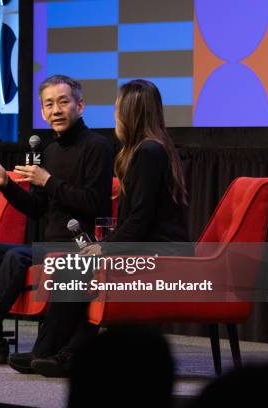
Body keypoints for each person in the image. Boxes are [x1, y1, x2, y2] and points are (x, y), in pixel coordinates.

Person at [0, 75, 114, 366]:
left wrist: (48, 181)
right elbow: (37, 208)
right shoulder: (48, 151)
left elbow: (94, 203)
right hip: (50, 244)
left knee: (15, 256)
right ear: (43, 112)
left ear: (80, 105)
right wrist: (6, 185)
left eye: (63, 102)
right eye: (49, 104)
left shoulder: (97, 146)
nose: (56, 110)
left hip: (81, 247)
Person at [28, 79, 190, 377]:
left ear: (130, 113)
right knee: (76, 263)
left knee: (74, 265)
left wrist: (106, 246)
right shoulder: (147, 149)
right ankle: (60, 351)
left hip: (160, 250)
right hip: (150, 242)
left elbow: (140, 219)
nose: (115, 115)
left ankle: (54, 351)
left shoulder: (149, 152)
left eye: (117, 109)